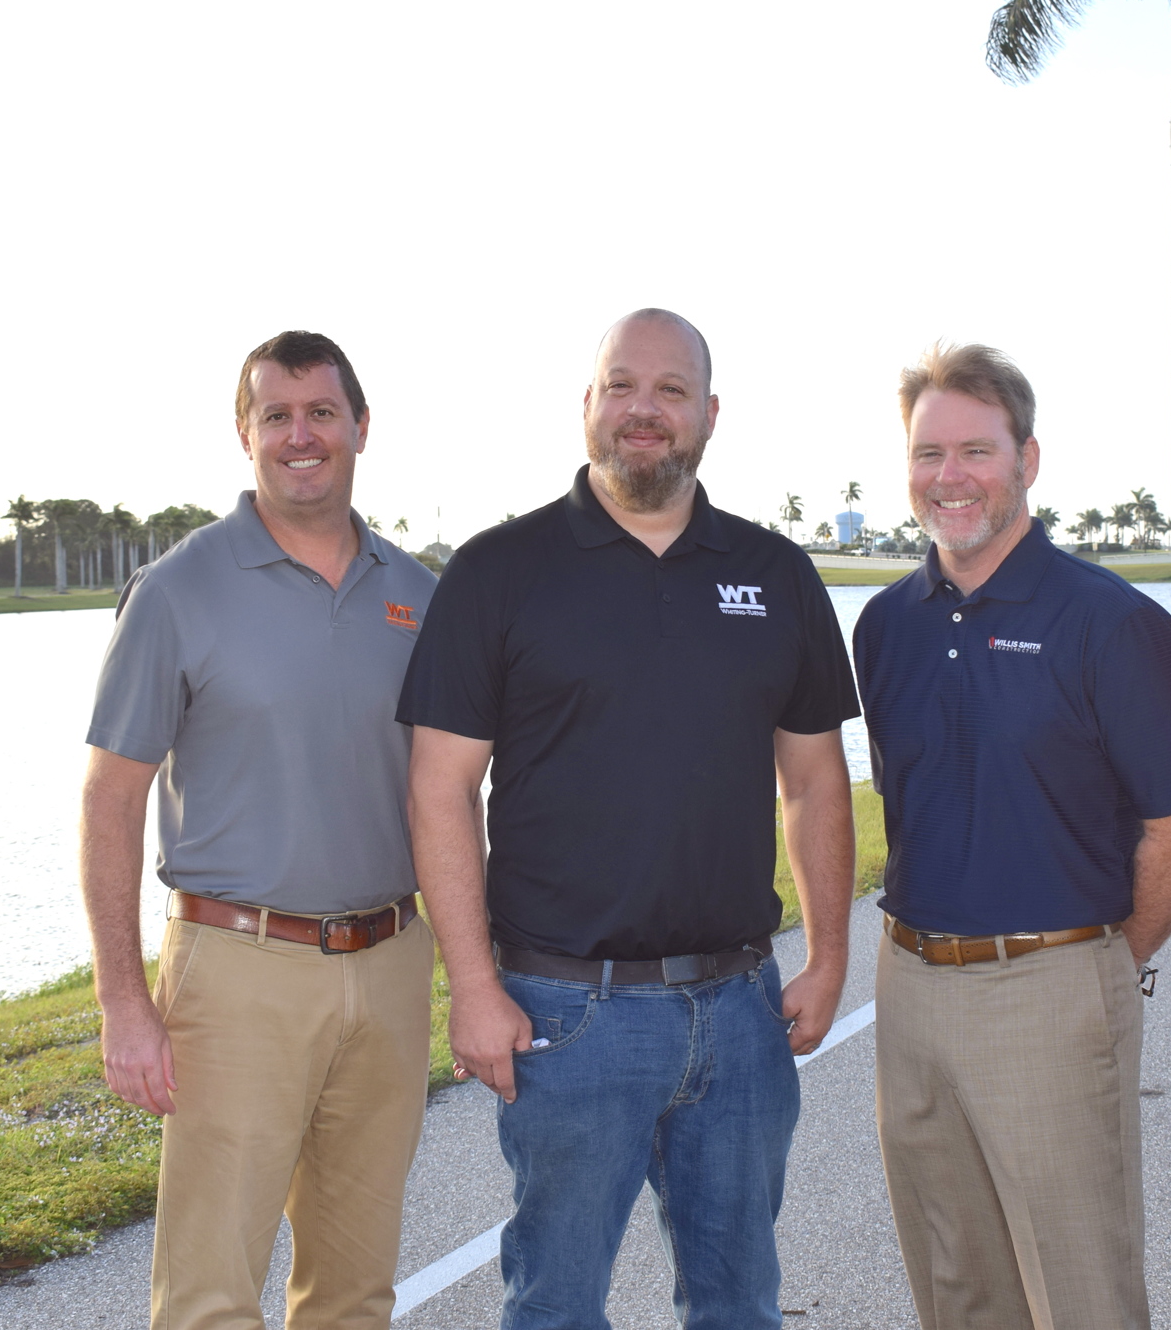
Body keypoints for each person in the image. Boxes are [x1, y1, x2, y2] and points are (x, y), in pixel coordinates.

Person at [401, 308, 859, 1329]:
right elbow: (439, 790)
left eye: (667, 389)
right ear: (587, 405)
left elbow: (816, 782)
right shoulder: (497, 571)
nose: (642, 410)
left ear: (706, 412)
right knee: (556, 1304)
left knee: (739, 1301)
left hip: (739, 1011)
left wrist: (827, 955)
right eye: (620, 385)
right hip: (566, 1012)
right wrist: (470, 985)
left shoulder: (774, 571)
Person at [854, 343, 1171, 1329]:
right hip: (907, 986)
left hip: (1048, 989)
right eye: (928, 451)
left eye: (976, 449)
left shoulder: (1108, 622)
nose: (950, 476)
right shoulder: (884, 625)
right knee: (954, 1283)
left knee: (1078, 1294)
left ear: (1027, 458)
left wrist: (1093, 960)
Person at [80, 331, 439, 1330]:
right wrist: (122, 1001)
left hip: (391, 960)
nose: (299, 434)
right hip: (236, 970)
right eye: (275, 414)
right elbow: (109, 801)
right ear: (244, 434)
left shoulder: (420, 595)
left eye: (321, 411)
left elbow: (448, 798)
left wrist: (475, 964)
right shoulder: (176, 592)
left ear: (360, 427)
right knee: (209, 1296)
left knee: (355, 1290)